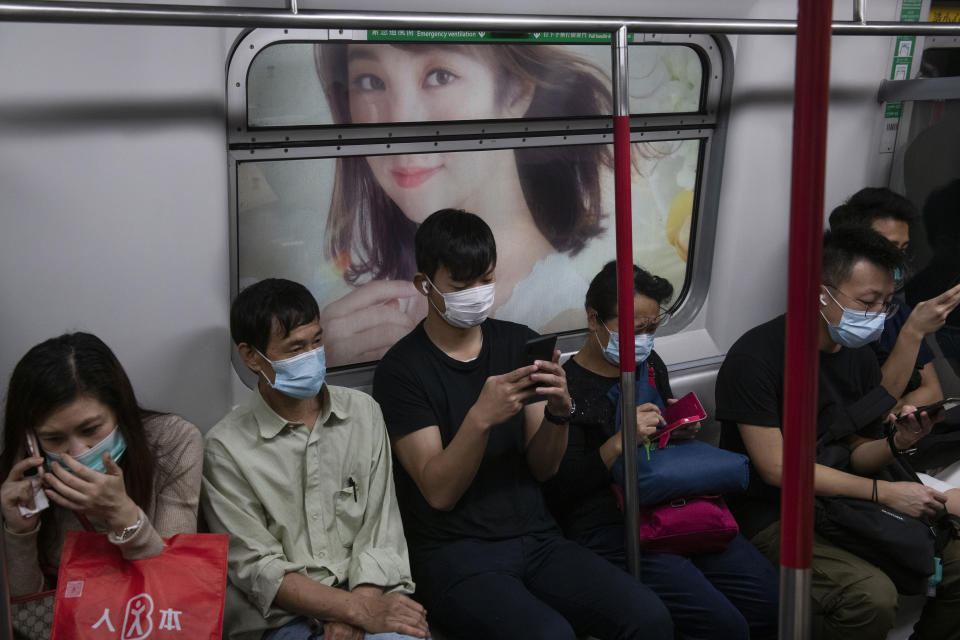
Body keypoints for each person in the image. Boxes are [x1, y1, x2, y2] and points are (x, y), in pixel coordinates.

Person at [372, 209, 673, 640]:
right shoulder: (402, 370)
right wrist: (481, 416)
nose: (477, 294)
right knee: (550, 635)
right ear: (425, 285)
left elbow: (543, 468)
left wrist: (559, 411)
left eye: (486, 280)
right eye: (461, 286)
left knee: (649, 617)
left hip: (536, 537)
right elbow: (438, 493)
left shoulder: (518, 342)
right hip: (454, 554)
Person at [314, 42, 694, 366]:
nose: (398, 122)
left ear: (515, 92)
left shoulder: (564, 312)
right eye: (369, 82)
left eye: (439, 76)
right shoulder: (351, 309)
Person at [715, 228, 960, 640]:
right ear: (820, 292)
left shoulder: (857, 355)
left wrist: (896, 443)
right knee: (870, 597)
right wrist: (883, 494)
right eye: (867, 302)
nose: (877, 314)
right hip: (773, 512)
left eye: (885, 303)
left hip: (841, 499)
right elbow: (778, 470)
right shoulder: (755, 357)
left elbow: (853, 450)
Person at [543, 260, 779, 640]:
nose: (644, 338)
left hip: (671, 502)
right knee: (723, 625)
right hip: (609, 524)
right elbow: (559, 489)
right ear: (594, 319)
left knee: (769, 599)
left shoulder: (648, 363)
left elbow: (659, 434)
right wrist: (619, 443)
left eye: (652, 327)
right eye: (635, 329)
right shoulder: (567, 389)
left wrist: (677, 427)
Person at [201, 278, 426, 640]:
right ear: (250, 356)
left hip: (368, 589)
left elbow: (381, 529)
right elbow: (259, 569)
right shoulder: (225, 448)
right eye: (294, 348)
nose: (311, 356)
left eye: (317, 342)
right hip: (285, 618)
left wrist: (360, 607)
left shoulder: (363, 413)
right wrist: (351, 611)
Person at [0, 332, 203, 597]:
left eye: (91, 429)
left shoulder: (172, 442)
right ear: (31, 439)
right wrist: (20, 533)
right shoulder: (21, 482)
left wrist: (122, 515)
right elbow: (26, 618)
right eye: (54, 438)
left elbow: (175, 588)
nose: (77, 452)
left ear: (119, 411)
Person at [828, 187, 960, 412]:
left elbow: (933, 392)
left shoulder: (897, 310)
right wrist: (912, 333)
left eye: (903, 249)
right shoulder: (841, 317)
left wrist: (893, 408)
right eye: (886, 247)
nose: (895, 259)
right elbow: (862, 415)